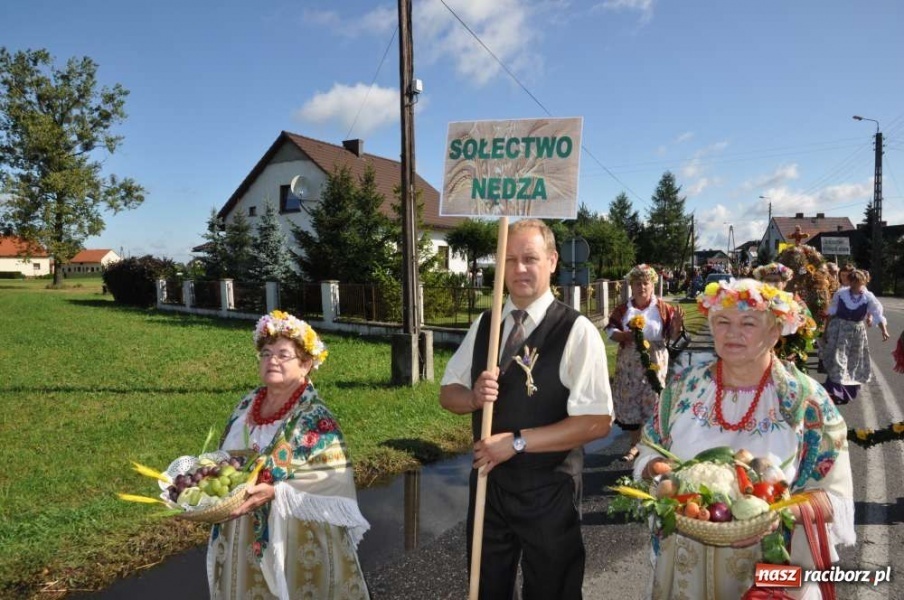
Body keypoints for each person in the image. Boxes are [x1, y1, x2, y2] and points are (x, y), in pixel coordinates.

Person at [634, 279, 855, 599]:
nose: (731, 332)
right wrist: (654, 468)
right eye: (722, 321)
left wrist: (779, 512)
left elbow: (837, 498)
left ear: (774, 332)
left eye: (748, 322)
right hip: (686, 574)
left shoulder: (808, 402)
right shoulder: (682, 388)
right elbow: (647, 451)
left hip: (772, 576)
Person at [439, 219, 614, 599]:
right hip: (489, 484)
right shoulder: (486, 325)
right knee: (486, 588)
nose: (519, 268)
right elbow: (447, 393)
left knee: (552, 590)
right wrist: (471, 398)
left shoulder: (576, 330)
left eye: (530, 258)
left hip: (549, 488)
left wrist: (517, 442)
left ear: (552, 261)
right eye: (510, 258)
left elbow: (598, 422)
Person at [208, 310, 370, 600]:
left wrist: (277, 491)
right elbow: (228, 454)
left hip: (297, 529)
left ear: (306, 364)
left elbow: (334, 476)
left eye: (284, 355)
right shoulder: (247, 403)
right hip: (241, 523)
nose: (272, 360)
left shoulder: (315, 417)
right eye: (267, 353)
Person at [605, 264, 684, 462]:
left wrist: (676, 327)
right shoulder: (624, 309)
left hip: (655, 360)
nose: (642, 287)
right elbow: (609, 331)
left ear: (652, 285)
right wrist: (625, 335)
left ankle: (651, 446)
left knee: (653, 401)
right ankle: (634, 446)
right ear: (631, 286)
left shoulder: (663, 308)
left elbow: (672, 336)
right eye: (638, 283)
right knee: (631, 402)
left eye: (646, 283)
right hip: (629, 361)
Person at [820, 268, 890, 405]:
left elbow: (877, 314)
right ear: (850, 282)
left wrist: (884, 330)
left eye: (859, 283)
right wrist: (825, 331)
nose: (856, 286)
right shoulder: (841, 294)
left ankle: (846, 392)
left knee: (853, 362)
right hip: (839, 330)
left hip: (856, 332)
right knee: (837, 360)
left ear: (863, 282)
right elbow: (831, 313)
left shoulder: (868, 297)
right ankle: (835, 392)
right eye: (854, 282)